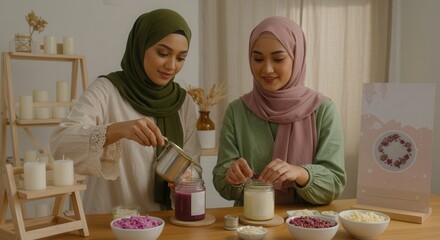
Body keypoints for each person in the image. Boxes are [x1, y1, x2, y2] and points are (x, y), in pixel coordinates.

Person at [50, 9, 201, 214]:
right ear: (140, 46)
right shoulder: (107, 89)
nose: (171, 66)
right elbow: (61, 146)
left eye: (181, 58)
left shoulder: (184, 104)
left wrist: (184, 178)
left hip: (165, 225)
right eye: (163, 53)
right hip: (108, 223)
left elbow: (193, 166)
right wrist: (118, 130)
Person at [212, 16, 346, 206]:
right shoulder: (237, 111)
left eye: (278, 59)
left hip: (305, 226)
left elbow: (334, 183)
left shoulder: (323, 110)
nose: (267, 69)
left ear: (296, 58)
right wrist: (231, 175)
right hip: (251, 226)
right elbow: (221, 182)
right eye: (257, 58)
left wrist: (301, 173)